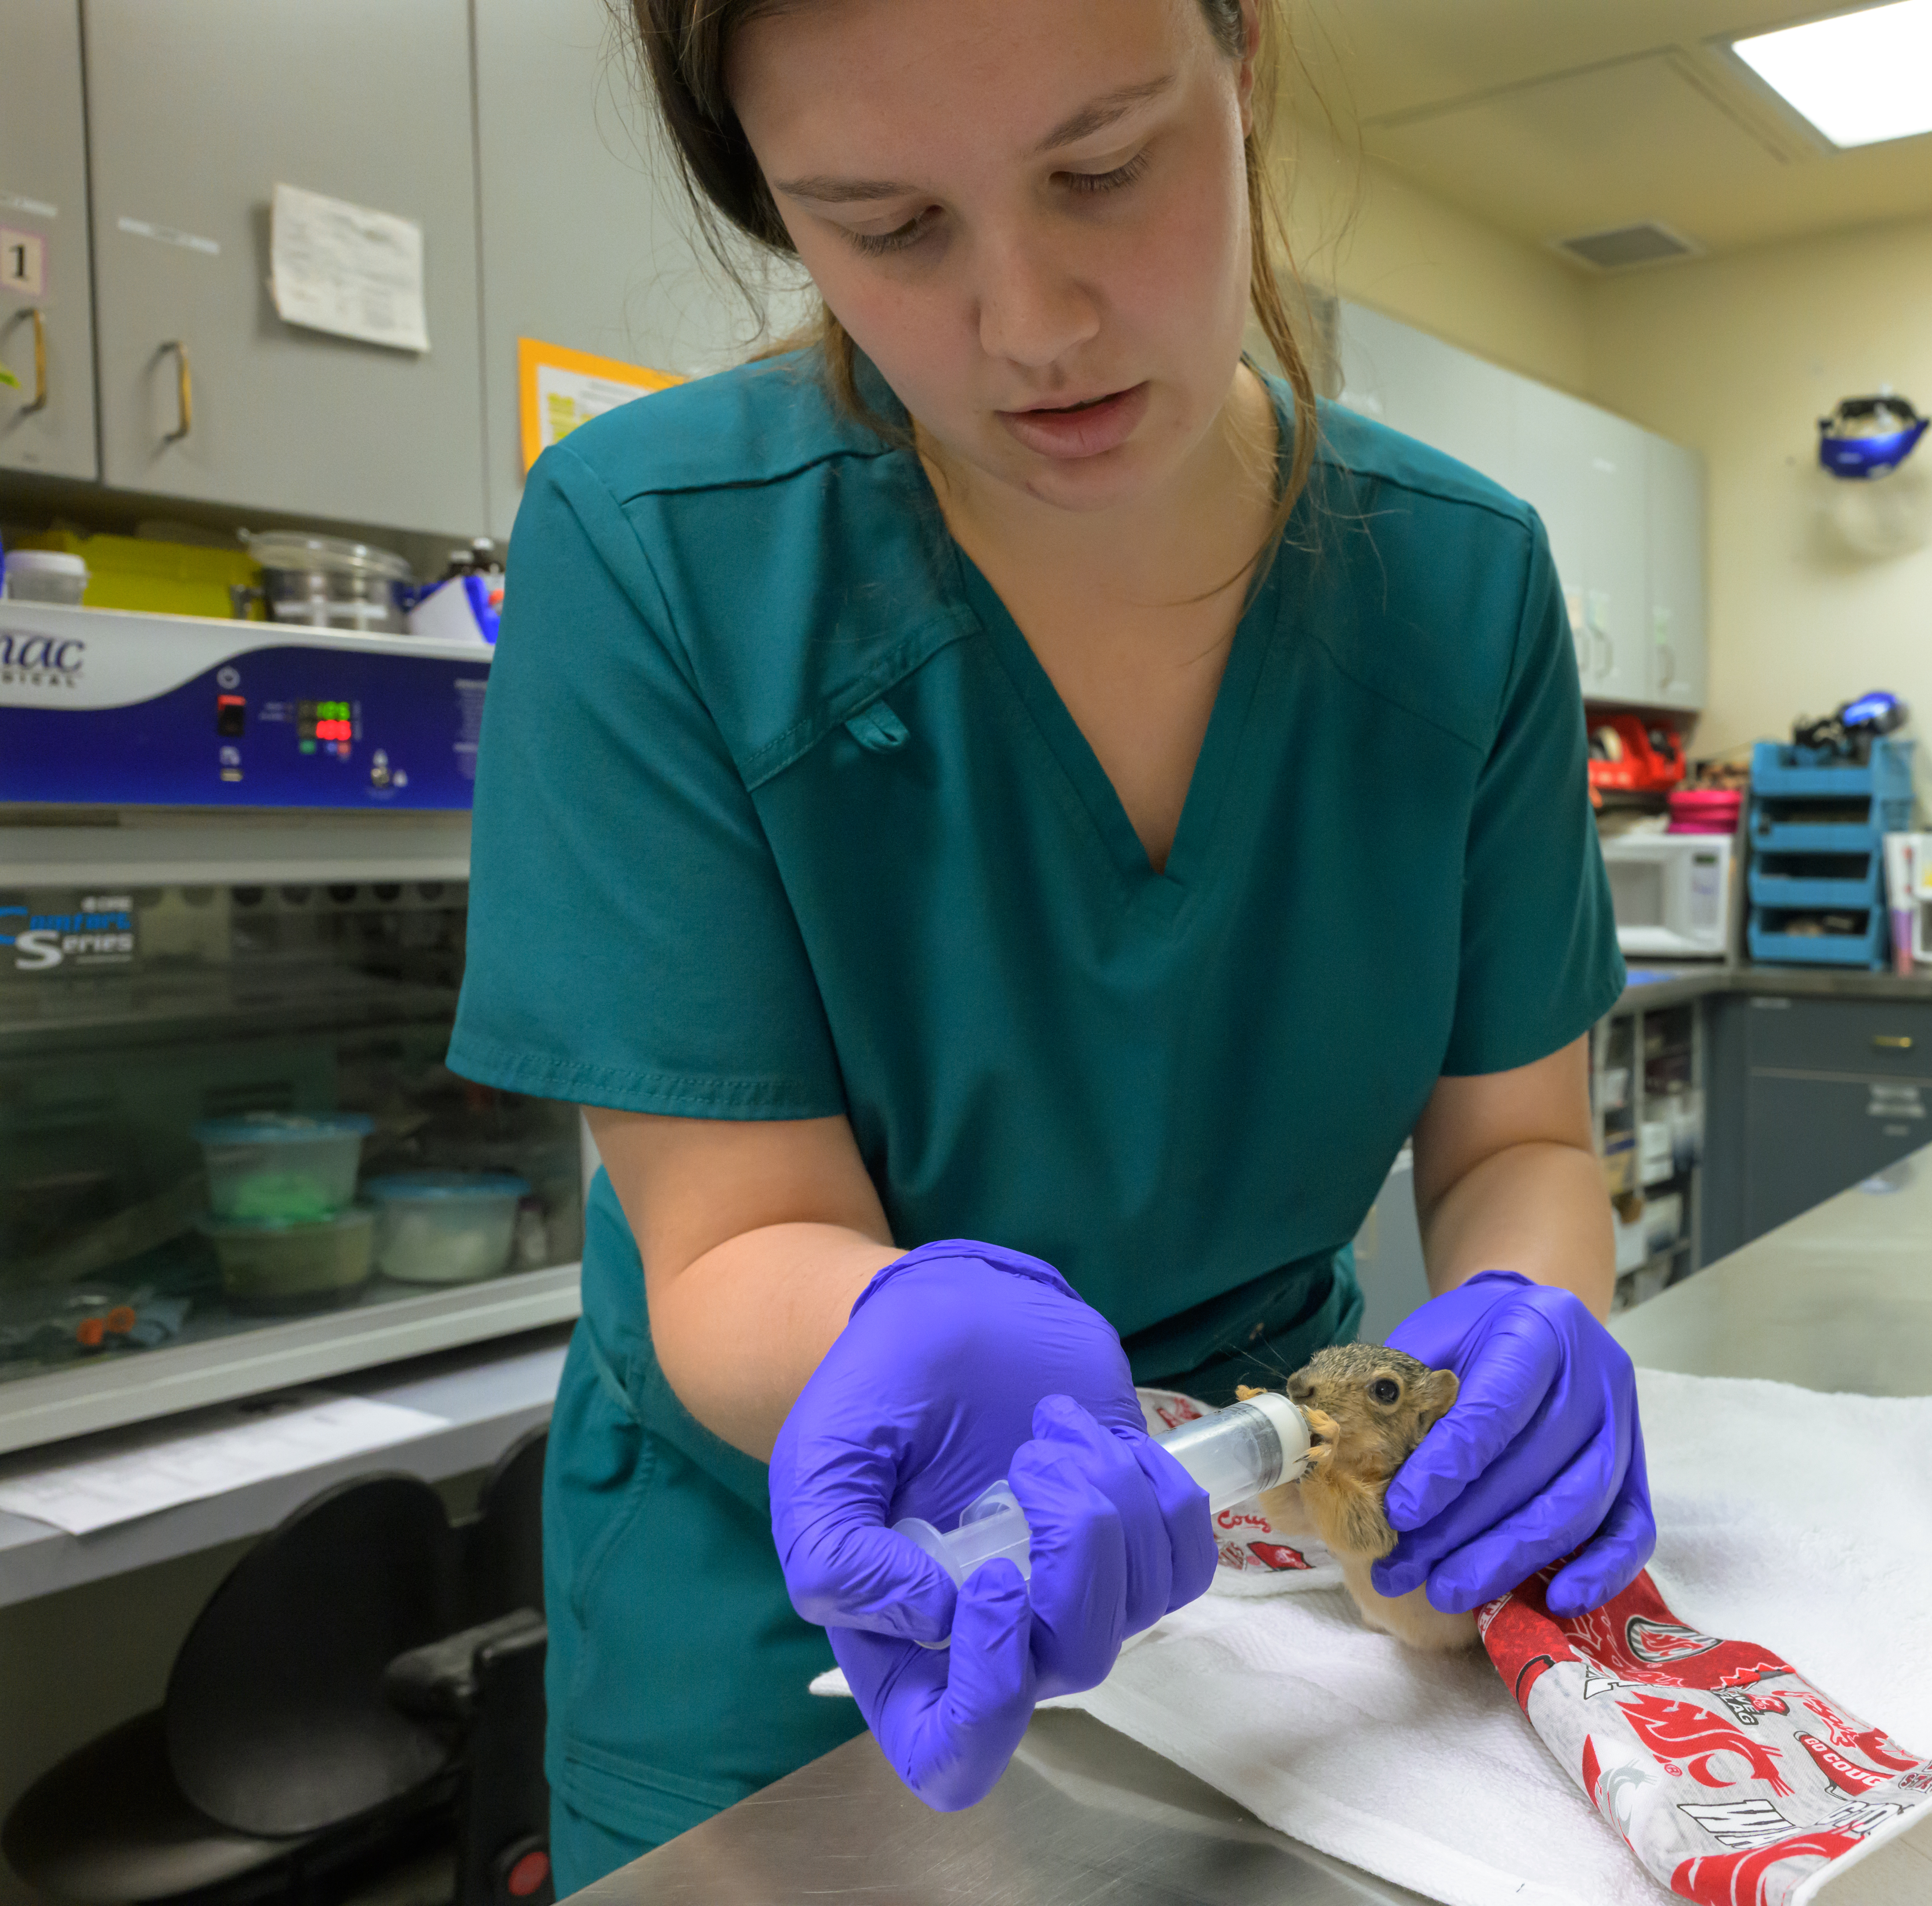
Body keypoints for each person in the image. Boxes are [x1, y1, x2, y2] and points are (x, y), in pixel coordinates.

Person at [444, 0, 1651, 1888]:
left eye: (1104, 170)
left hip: (1289, 1576)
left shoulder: (1464, 581)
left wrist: (1523, 1334)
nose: (1031, 325)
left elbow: (1516, 1146)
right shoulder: (658, 552)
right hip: (813, 1620)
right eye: (885, 225)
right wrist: (888, 1343)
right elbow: (734, 1236)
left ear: (1242, 70)